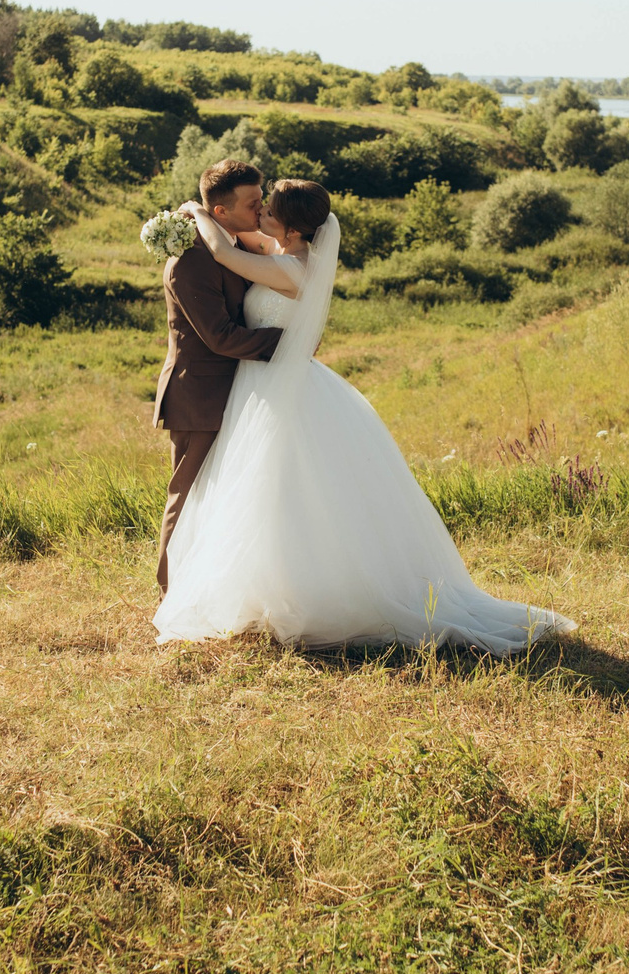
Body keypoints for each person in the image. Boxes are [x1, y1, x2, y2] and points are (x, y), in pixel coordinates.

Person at [151, 174, 574, 653]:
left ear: (293, 229)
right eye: (257, 203)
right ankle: (255, 590)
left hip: (278, 383)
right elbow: (233, 241)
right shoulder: (280, 251)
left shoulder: (291, 268)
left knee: (282, 490)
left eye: (268, 209)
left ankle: (301, 595)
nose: (261, 210)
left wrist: (196, 210)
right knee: (265, 492)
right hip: (264, 387)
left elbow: (225, 251)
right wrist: (203, 217)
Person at [151, 159, 282, 592]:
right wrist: (285, 342)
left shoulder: (233, 242)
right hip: (199, 396)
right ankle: (171, 596)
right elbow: (220, 336)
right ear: (221, 211)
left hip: (234, 393)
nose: (261, 209)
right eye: (252, 203)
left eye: (261, 199)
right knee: (188, 497)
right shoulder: (192, 259)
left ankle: (210, 591)